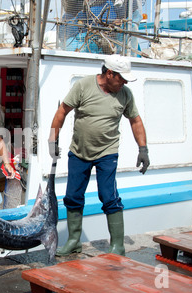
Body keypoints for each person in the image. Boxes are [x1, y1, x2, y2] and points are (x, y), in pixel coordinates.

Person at [48, 54, 149, 257]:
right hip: (79, 152)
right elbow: (62, 111)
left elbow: (135, 121)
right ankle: (74, 241)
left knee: (109, 196)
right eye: (122, 78)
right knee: (73, 197)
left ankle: (117, 245)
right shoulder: (83, 86)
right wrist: (52, 140)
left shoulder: (126, 94)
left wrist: (143, 149)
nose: (125, 82)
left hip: (107, 153)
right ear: (109, 73)